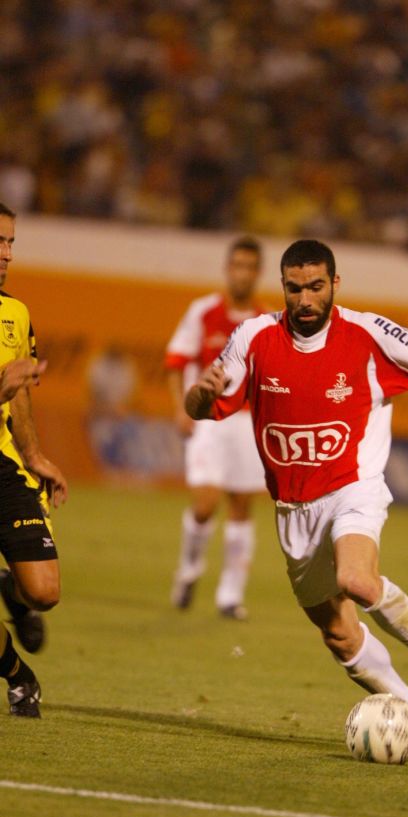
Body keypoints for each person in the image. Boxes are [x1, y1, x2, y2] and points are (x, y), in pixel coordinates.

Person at [185, 239, 408, 752]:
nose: (305, 299)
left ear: (335, 283)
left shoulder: (369, 333)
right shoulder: (253, 336)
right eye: (295, 289)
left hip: (353, 488)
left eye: (316, 287)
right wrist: (199, 395)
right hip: (293, 510)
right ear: (283, 287)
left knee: (355, 580)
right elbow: (205, 405)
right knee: (338, 634)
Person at [165, 236, 266, 620]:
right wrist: (180, 408)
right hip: (209, 421)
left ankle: (230, 595)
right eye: (236, 265)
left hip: (247, 422)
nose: (242, 273)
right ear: (227, 269)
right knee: (205, 504)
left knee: (241, 505)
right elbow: (176, 361)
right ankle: (189, 569)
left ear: (257, 273)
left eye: (249, 267)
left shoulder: (265, 321)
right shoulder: (203, 311)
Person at [0, 202, 68, 717]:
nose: (6, 254)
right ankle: (18, 676)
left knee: (44, 593)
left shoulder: (15, 313)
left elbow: (19, 391)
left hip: (2, 466)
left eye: (10, 243)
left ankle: (13, 592)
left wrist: (34, 454)